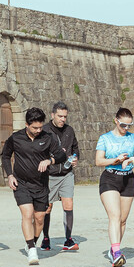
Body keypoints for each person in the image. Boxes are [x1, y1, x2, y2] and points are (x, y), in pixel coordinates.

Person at [2, 108, 60, 265]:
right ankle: (32, 250)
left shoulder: (48, 137)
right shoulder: (16, 138)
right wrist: (10, 175)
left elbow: (61, 155)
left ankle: (31, 242)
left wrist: (50, 160)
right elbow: (5, 156)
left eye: (40, 127)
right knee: (27, 214)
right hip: (21, 183)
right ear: (27, 124)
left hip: (41, 184)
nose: (38, 130)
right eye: (35, 128)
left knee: (39, 219)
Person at [94, 108, 134, 267]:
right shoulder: (105, 138)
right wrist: (115, 160)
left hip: (128, 179)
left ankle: (113, 249)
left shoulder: (133, 138)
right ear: (116, 121)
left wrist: (131, 159)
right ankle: (117, 252)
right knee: (115, 216)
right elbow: (98, 161)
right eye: (123, 125)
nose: (126, 128)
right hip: (110, 178)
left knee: (123, 220)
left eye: (129, 125)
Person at [42, 101, 80, 252]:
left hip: (66, 173)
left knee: (68, 205)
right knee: (47, 208)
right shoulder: (44, 131)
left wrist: (75, 158)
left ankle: (68, 239)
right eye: (60, 116)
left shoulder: (69, 130)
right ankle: (45, 238)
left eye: (65, 116)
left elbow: (75, 148)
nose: (62, 119)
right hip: (49, 175)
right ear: (53, 115)